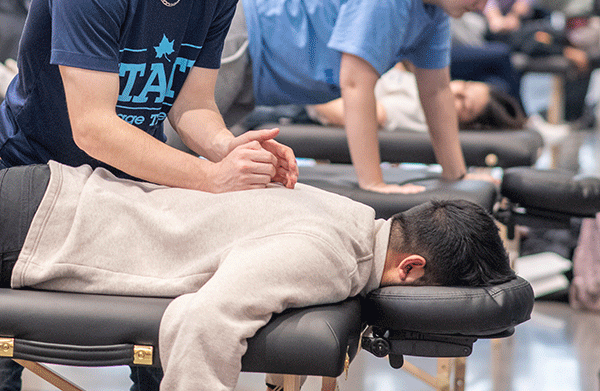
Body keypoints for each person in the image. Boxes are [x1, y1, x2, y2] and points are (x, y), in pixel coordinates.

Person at [0, 0, 298, 391]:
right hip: (30, 176)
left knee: (168, 327)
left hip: (124, 182)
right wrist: (210, 179)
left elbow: (193, 107)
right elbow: (94, 129)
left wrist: (232, 153)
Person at [0, 160, 516, 391]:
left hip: (53, 200)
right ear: (411, 268)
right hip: (37, 232)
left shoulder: (347, 214)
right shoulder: (328, 255)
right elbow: (201, 323)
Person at [207, 0, 513, 194]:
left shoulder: (434, 12)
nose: (482, 6)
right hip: (242, 33)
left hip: (259, 70)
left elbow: (437, 93)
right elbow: (355, 84)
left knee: (192, 157)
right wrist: (372, 183)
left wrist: (456, 175)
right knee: (174, 152)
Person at [305, 63, 527, 133]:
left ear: (468, 124)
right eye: (465, 85)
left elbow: (355, 115)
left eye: (464, 103)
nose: (455, 92)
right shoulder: (428, 91)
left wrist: (306, 90)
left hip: (304, 99)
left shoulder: (418, 112)